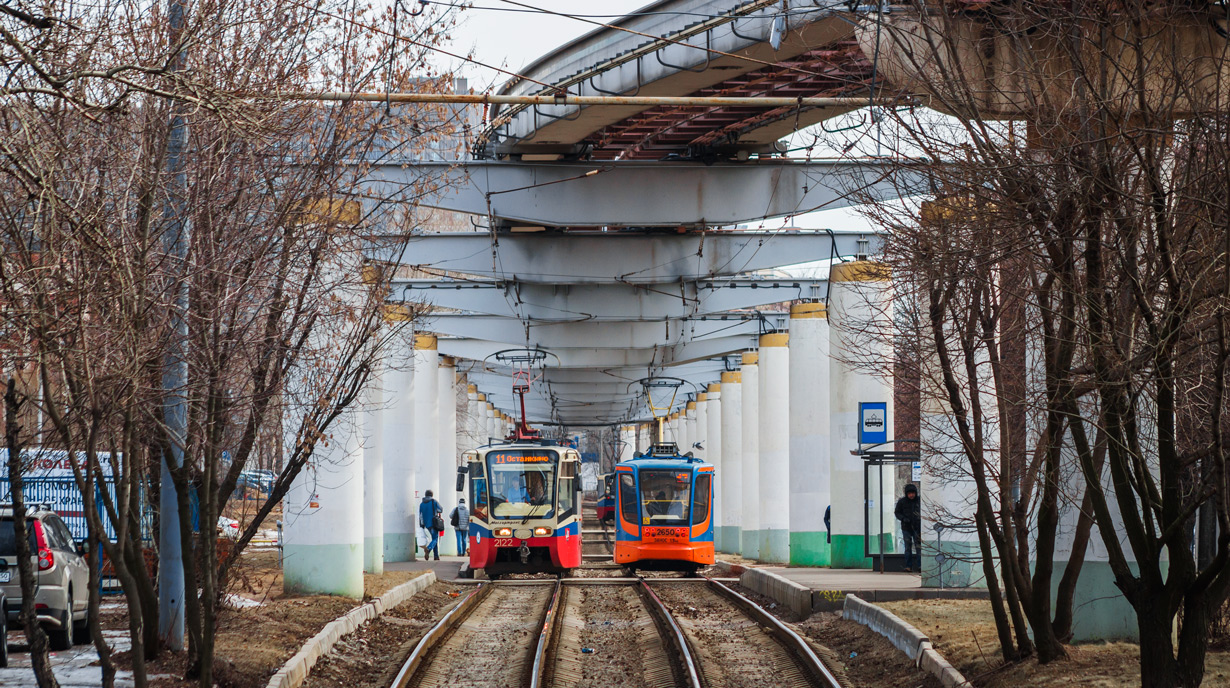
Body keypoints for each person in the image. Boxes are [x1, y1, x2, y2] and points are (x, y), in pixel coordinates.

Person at [894, 484, 922, 572]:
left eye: (913, 493)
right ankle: (908, 566)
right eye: (909, 493)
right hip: (906, 527)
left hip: (917, 527)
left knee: (919, 547)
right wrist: (903, 518)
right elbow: (897, 512)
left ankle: (920, 565)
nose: (911, 495)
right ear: (906, 493)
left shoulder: (919, 501)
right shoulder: (902, 502)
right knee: (907, 547)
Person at [419, 489, 443, 561]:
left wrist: (422, 524)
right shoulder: (434, 501)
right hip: (434, 522)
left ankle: (436, 556)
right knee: (435, 539)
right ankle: (428, 549)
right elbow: (440, 510)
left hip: (427, 524)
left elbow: (420, 515)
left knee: (434, 538)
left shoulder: (421, 504)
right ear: (432, 495)